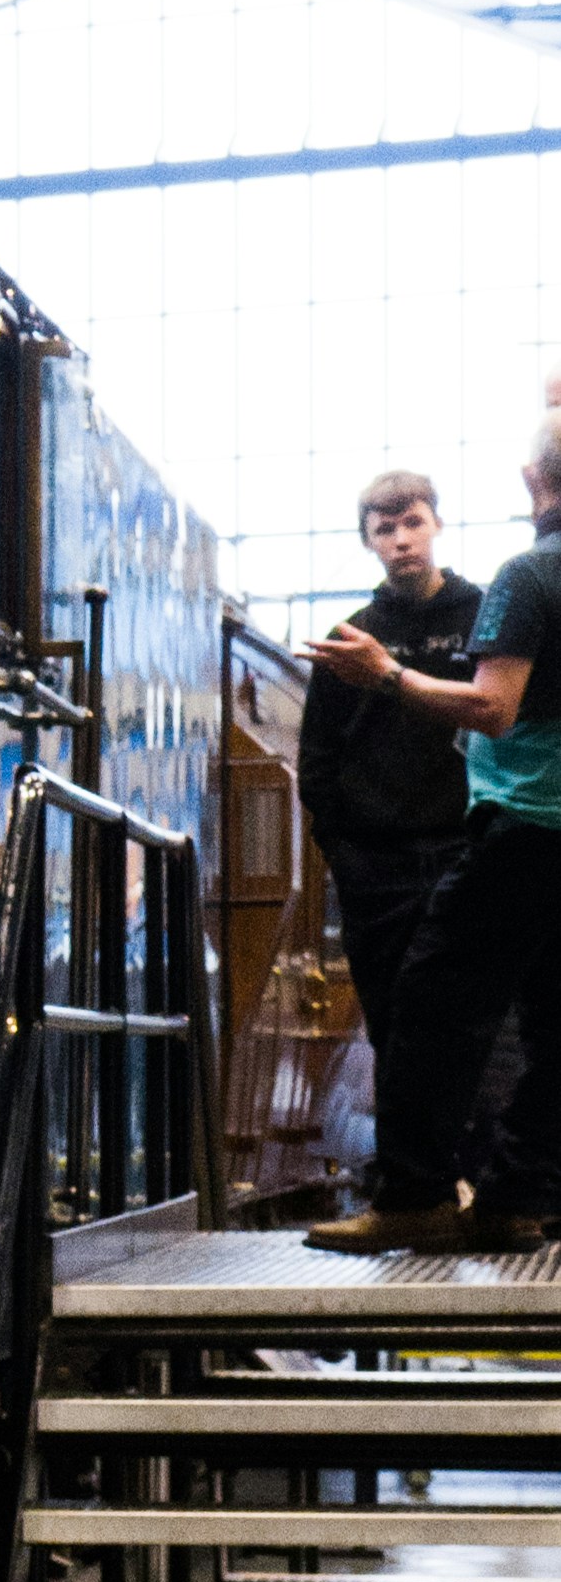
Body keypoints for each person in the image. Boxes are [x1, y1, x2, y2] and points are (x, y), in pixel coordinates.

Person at [313, 411, 561, 1253]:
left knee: (425, 1006)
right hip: (504, 837)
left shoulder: (525, 578)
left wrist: (386, 674)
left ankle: (416, 1193)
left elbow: (493, 707)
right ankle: (514, 1197)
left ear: (534, 482)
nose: (402, 538)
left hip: (525, 822)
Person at [300, 466, 499, 1244]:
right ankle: (417, 1189)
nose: (401, 538)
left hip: (463, 847)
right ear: (369, 541)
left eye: (412, 521)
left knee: (482, 1021)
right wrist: (345, 846)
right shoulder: (353, 636)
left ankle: (487, 1187)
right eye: (385, 528)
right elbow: (318, 760)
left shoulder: (486, 614)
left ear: (437, 523)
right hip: (378, 858)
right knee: (391, 1022)